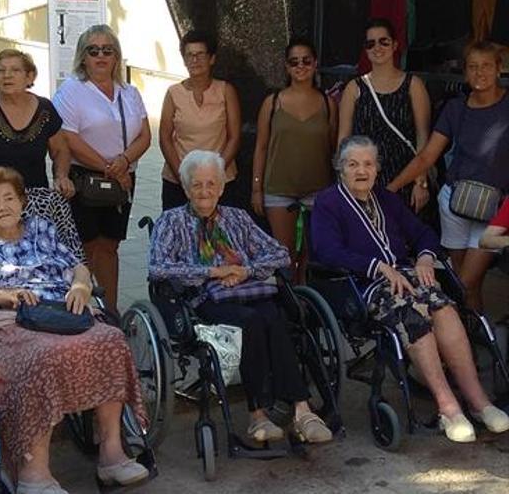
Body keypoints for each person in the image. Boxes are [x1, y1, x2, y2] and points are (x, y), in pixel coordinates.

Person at [0, 167, 149, 494]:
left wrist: (82, 287)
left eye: (9, 198)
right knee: (41, 356)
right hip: (4, 320)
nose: (2, 206)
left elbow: (78, 266)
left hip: (60, 313)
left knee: (112, 340)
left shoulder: (41, 229)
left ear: (22, 202)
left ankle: (112, 455)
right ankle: (34, 472)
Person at [311, 136, 509, 443]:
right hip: (365, 284)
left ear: (377, 169)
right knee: (412, 317)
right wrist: (377, 266)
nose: (361, 170)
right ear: (340, 169)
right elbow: (327, 251)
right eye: (352, 164)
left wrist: (426, 257)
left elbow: (423, 234)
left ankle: (479, 402)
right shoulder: (328, 202)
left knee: (443, 307)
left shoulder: (386, 199)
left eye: (367, 164)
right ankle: (449, 408)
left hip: (408, 277)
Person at [148, 150, 334, 444]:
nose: (204, 191)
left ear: (222, 187)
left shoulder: (237, 218)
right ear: (185, 188)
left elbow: (279, 253)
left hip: (249, 289)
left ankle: (302, 410)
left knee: (275, 316)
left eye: (211, 184)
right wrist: (215, 272)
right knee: (251, 322)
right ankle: (257, 415)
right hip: (203, 300)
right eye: (196, 185)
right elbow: (158, 267)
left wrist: (244, 270)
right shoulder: (171, 222)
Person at [387, 41, 509, 312]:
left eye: (487, 66)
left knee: (464, 282)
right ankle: (474, 339)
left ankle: (457, 337)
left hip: (499, 212)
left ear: (499, 69)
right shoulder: (455, 108)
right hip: (453, 203)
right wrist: (391, 188)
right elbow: (427, 157)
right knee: (469, 285)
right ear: (464, 72)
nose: (480, 73)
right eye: (473, 67)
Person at [53, 24, 151, 311]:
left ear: (116, 56)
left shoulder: (129, 92)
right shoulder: (71, 90)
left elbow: (145, 135)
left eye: (107, 50)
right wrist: (112, 167)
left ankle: (110, 308)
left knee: (110, 245)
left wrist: (122, 164)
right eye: (93, 50)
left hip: (122, 180)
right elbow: (68, 137)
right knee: (86, 246)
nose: (100, 56)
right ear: (83, 57)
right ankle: (83, 307)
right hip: (86, 179)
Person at [251, 37, 336, 282]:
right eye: (294, 61)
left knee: (310, 256)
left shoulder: (328, 104)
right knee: (285, 256)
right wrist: (257, 187)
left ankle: (307, 307)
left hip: (318, 191)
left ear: (315, 64)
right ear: (286, 67)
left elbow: (333, 148)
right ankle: (287, 308)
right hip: (278, 189)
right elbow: (261, 147)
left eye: (306, 61)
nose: (300, 66)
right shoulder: (272, 102)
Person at [338, 18, 431, 211]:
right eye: (370, 43)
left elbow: (423, 136)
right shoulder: (354, 88)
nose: (377, 47)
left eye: (383, 41)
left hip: (406, 178)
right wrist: (344, 180)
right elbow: (343, 139)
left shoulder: (413, 85)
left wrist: (420, 181)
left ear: (395, 45)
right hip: (363, 179)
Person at [0, 48, 73, 196]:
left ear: (30, 77)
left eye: (15, 70)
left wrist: (61, 176)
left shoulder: (45, 109)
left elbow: (60, 151)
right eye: (1, 70)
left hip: (35, 199)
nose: (7, 75)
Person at [159, 29, 241, 211]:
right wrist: (183, 176)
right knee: (181, 236)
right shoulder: (173, 93)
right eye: (189, 55)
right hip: (179, 182)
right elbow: (164, 137)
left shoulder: (225, 91)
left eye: (200, 54)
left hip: (219, 182)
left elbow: (234, 137)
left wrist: (216, 171)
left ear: (212, 59)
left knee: (219, 237)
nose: (194, 60)